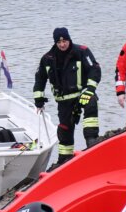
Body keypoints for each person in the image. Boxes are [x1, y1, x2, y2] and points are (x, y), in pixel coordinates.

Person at [33, 27, 102, 166]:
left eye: (65, 41)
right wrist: (38, 100)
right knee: (65, 131)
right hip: (64, 101)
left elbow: (94, 70)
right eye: (59, 42)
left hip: (82, 94)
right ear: (55, 43)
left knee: (92, 102)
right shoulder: (47, 58)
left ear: (69, 39)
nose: (62, 44)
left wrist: (90, 89)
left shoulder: (81, 51)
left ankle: (92, 141)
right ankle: (64, 161)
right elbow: (40, 79)